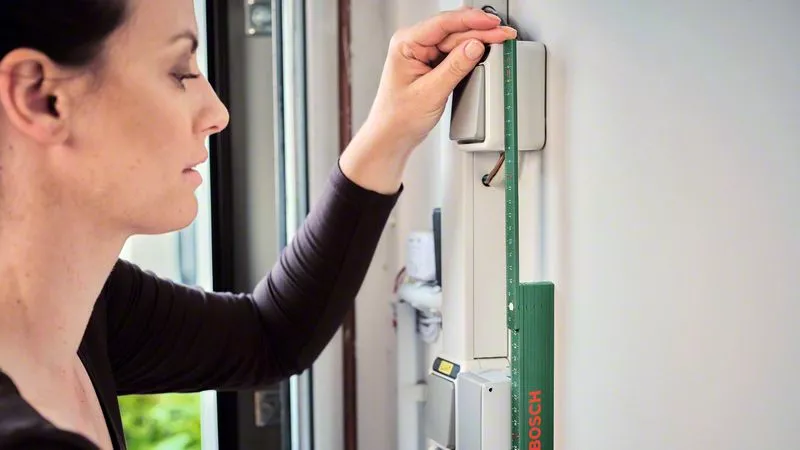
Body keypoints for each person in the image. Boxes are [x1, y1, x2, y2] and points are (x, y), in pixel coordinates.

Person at [0, 1, 516, 448]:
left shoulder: (81, 307)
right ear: (41, 97)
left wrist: (391, 128)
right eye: (179, 70)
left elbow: (269, 335)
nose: (217, 113)